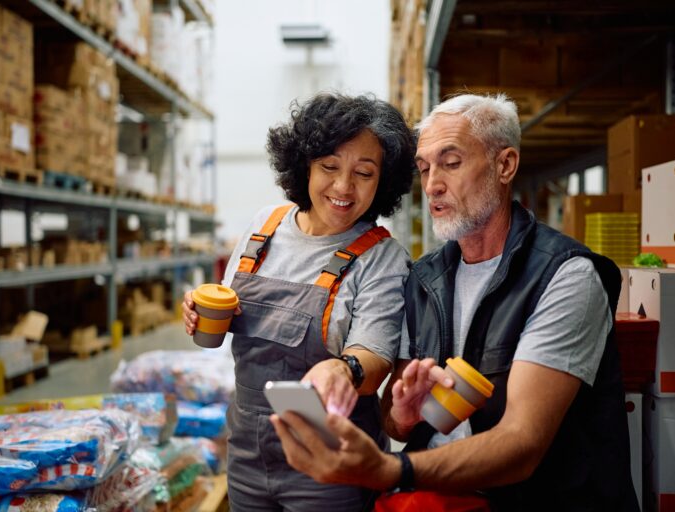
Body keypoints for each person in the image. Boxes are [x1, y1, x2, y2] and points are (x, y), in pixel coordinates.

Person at [271, 93, 639, 511]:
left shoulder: (565, 275)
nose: (432, 185)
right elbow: (397, 422)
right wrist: (406, 415)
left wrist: (393, 469)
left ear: (505, 165)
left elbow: (523, 443)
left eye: (451, 163)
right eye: (425, 169)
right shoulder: (424, 279)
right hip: (440, 499)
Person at [182, 92, 416, 511]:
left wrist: (345, 368)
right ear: (304, 164)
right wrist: (200, 311)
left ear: (384, 181)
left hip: (331, 463)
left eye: (364, 173)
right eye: (329, 167)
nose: (344, 187)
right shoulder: (263, 227)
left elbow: (376, 354)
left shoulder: (382, 256)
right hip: (247, 455)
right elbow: (226, 307)